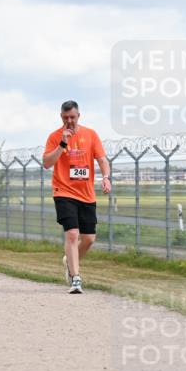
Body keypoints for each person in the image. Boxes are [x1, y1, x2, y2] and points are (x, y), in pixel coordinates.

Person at [42, 100, 111, 294]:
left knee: (89, 238)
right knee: (72, 234)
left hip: (86, 193)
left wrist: (106, 177)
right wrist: (62, 143)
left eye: (72, 117)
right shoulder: (55, 137)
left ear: (78, 116)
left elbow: (102, 159)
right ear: (61, 117)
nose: (69, 121)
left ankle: (69, 260)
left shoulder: (90, 134)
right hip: (63, 191)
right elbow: (47, 163)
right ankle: (76, 278)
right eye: (65, 118)